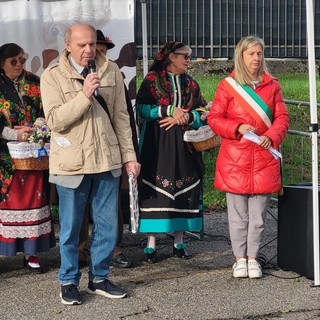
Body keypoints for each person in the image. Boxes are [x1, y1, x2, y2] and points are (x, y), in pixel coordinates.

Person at [40, 23, 140, 305]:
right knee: (71, 229)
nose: (88, 50)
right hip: (72, 163)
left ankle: (99, 277)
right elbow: (56, 120)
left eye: (92, 44)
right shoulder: (52, 76)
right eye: (81, 44)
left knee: (108, 227)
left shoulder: (110, 71)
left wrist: (130, 157)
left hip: (107, 161)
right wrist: (84, 95)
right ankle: (68, 281)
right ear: (68, 45)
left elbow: (122, 117)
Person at [207, 35, 289, 279]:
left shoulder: (272, 85)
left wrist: (273, 135)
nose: (256, 58)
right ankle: (239, 259)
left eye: (259, 53)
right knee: (238, 215)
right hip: (236, 159)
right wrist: (237, 128)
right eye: (251, 54)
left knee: (259, 216)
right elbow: (214, 118)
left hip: (264, 157)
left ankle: (253, 258)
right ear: (241, 56)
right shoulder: (227, 86)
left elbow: (282, 117)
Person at [136, 41, 207, 263]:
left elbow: (202, 110)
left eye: (189, 56)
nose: (188, 60)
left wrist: (188, 116)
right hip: (157, 144)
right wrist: (167, 110)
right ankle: (151, 243)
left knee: (185, 188)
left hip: (185, 144)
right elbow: (140, 109)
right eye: (184, 56)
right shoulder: (151, 81)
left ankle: (179, 241)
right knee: (156, 188)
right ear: (170, 57)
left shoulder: (191, 84)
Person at [78, 29, 138, 269]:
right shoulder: (73, 74)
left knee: (110, 204)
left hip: (109, 148)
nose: (96, 54)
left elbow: (124, 115)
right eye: (94, 48)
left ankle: (115, 248)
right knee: (79, 206)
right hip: (81, 150)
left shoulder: (113, 73)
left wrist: (128, 152)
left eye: (101, 50)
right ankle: (82, 250)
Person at [0, 43, 56, 272]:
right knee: (7, 202)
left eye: (22, 59)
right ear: (2, 62)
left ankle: (32, 253)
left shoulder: (34, 81)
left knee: (34, 199)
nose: (19, 64)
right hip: (4, 155)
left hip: (32, 155)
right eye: (13, 61)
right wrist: (13, 133)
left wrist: (39, 127)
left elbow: (46, 110)